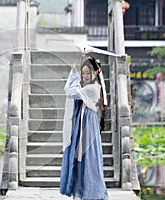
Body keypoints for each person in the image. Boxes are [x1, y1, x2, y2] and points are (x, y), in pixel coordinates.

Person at [60, 56, 108, 200]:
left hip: (88, 125)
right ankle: (84, 191)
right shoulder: (87, 88)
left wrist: (74, 75)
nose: (86, 76)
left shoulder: (93, 88)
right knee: (84, 158)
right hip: (83, 122)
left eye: (89, 73)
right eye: (83, 73)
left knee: (89, 157)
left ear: (96, 72)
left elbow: (70, 92)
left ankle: (93, 192)